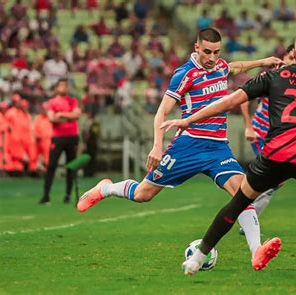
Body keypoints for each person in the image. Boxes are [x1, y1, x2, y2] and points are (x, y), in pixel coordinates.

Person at [162, 29, 296, 286]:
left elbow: (229, 101)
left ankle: (197, 259)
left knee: (238, 203)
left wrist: (188, 119)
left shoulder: (274, 76)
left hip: (275, 155)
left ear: (295, 53)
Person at [77, 28, 282, 268]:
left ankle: (256, 251)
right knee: (144, 194)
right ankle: (106, 189)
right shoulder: (184, 74)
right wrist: (157, 146)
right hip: (188, 146)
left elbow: (234, 67)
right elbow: (162, 112)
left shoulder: (219, 66)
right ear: (196, 48)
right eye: (207, 52)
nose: (212, 57)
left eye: (216, 52)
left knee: (243, 194)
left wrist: (263, 62)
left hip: (217, 148)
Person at [239, 44, 295, 228]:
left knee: (276, 179)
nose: (295, 62)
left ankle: (247, 213)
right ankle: (247, 215)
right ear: (284, 57)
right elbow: (244, 98)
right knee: (271, 176)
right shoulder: (270, 75)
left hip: (279, 137)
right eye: (292, 57)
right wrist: (248, 126)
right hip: (261, 133)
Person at [39, 78, 81, 205]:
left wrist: (61, 115)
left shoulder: (72, 101)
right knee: (51, 166)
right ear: (56, 88)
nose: (64, 88)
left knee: (71, 167)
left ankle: (68, 195)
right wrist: (69, 116)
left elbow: (77, 115)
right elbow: (52, 118)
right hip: (58, 137)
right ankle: (46, 195)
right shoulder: (52, 102)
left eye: (65, 86)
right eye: (61, 85)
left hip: (72, 137)